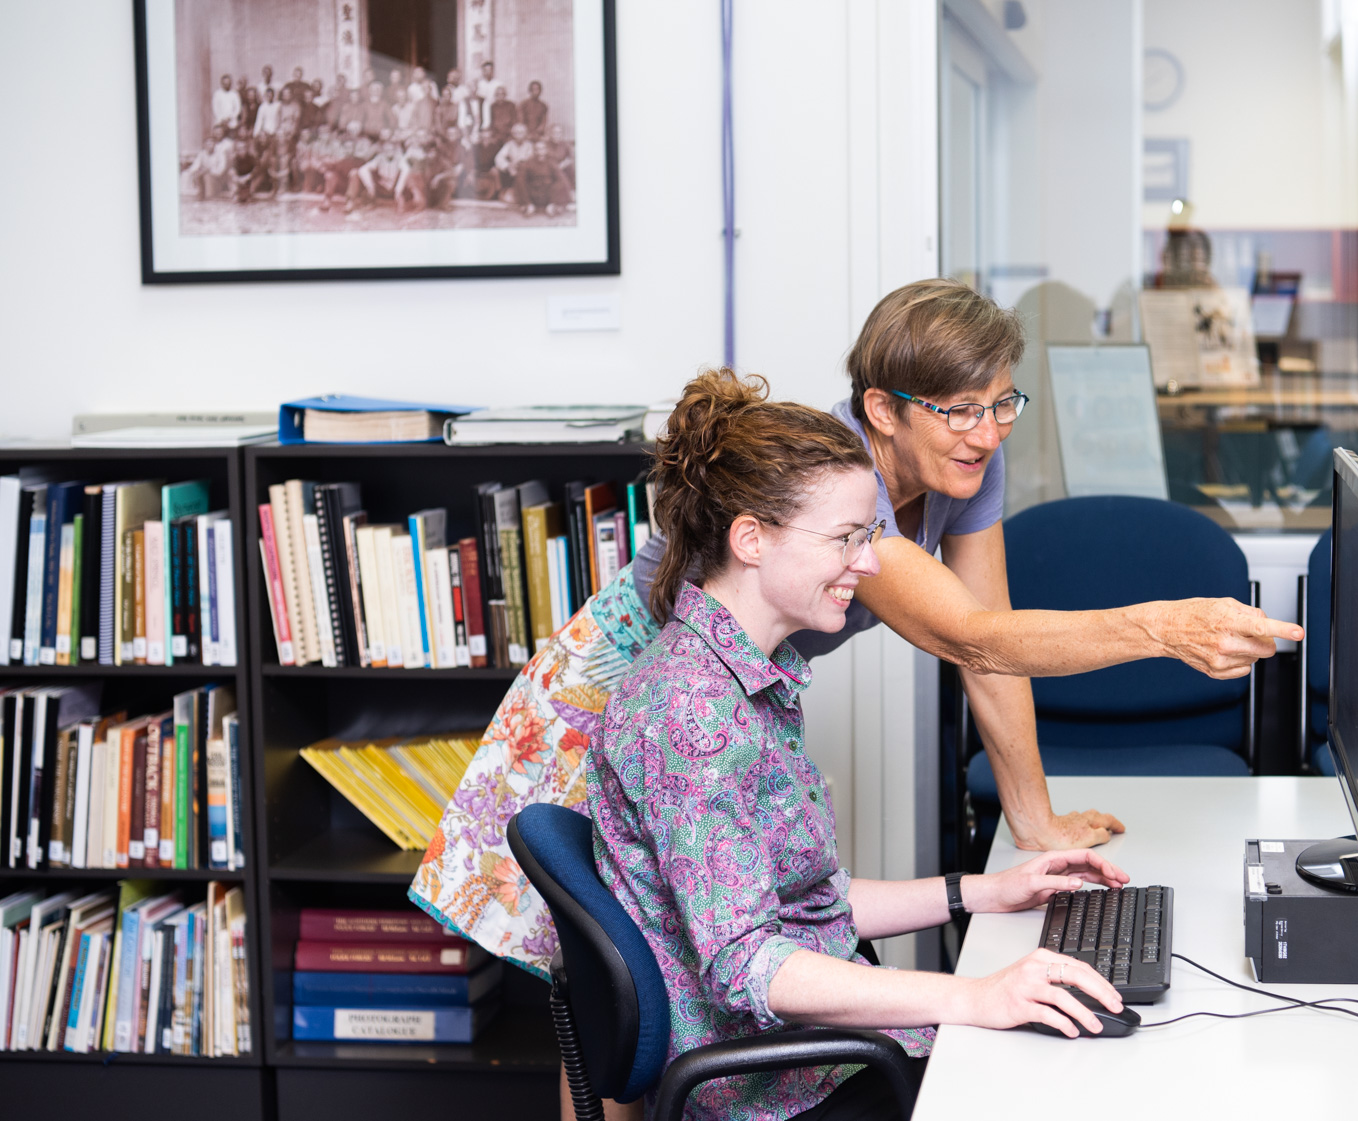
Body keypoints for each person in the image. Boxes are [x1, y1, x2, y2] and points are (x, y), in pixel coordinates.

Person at [412, 279, 1302, 974]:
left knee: (665, 976)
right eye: (958, 409)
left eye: (1001, 404)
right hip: (615, 697)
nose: (987, 432)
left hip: (726, 706)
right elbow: (977, 639)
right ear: (883, 409)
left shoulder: (963, 462)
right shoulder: (848, 490)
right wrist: (1161, 627)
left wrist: (1035, 820)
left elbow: (985, 645)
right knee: (607, 983)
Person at [582, 369, 1129, 1120]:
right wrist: (975, 995)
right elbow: (753, 966)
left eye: (869, 534)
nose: (869, 563)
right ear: (750, 539)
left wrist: (986, 890)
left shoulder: (751, 676)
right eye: (847, 538)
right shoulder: (690, 718)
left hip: (812, 1056)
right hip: (771, 1087)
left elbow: (809, 901)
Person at [493, 121, 533, 198]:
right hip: (511, 170)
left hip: (525, 170)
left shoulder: (529, 145)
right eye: (516, 133)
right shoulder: (509, 144)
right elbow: (499, 157)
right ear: (513, 134)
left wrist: (518, 163)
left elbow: (530, 159)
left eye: (521, 133)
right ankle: (502, 192)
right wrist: (507, 166)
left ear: (525, 134)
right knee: (495, 171)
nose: (518, 135)